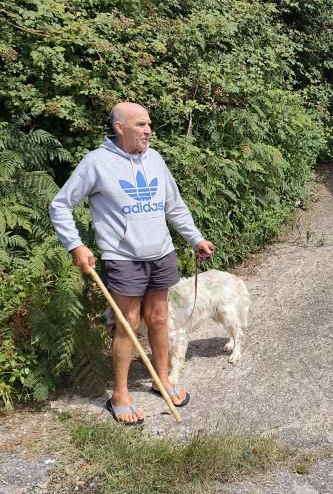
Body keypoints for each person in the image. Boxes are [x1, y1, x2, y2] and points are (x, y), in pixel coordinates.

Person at [49, 102, 215, 425]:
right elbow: (60, 205)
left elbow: (175, 206)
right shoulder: (96, 163)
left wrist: (195, 238)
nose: (148, 130)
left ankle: (162, 379)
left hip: (161, 252)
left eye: (149, 124)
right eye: (140, 125)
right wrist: (75, 246)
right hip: (123, 257)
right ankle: (120, 394)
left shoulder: (155, 160)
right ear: (119, 127)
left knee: (158, 317)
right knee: (128, 322)